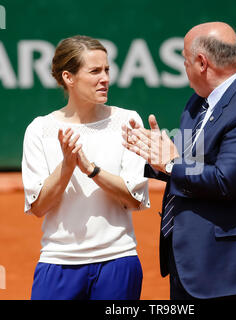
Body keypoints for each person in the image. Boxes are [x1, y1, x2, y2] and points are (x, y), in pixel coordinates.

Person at [122, 22, 236, 300]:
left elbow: (225, 181)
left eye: (185, 60)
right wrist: (152, 161)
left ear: (202, 63)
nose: (184, 67)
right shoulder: (197, 104)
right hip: (192, 266)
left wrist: (170, 163)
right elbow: (190, 167)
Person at [21, 35, 150, 300]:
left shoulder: (129, 121)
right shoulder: (39, 130)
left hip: (118, 261)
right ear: (69, 77)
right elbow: (38, 207)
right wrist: (67, 166)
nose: (105, 78)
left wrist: (91, 169)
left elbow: (134, 200)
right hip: (58, 262)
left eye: (107, 70)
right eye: (95, 71)